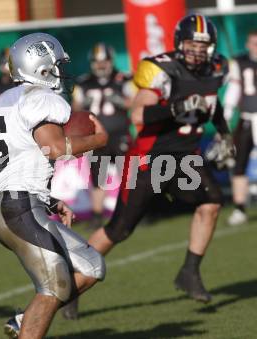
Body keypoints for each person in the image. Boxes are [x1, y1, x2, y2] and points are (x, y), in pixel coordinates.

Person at [64, 14, 236, 319]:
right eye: (192, 44)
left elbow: (212, 102)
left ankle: (190, 271)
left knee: (212, 203)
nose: (197, 51)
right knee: (118, 230)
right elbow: (138, 116)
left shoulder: (217, 68)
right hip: (149, 159)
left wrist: (223, 132)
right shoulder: (161, 69)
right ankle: (70, 284)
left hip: (186, 158)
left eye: (203, 45)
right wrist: (176, 108)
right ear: (179, 44)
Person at [0, 33, 108, 339]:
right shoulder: (42, 98)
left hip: (10, 205)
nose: (61, 71)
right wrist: (98, 140)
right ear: (42, 68)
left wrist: (47, 199)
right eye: (56, 65)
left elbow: (18, 159)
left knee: (91, 266)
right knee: (54, 286)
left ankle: (25, 321)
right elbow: (53, 148)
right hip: (18, 208)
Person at [72, 42, 133, 229]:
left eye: (104, 61)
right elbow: (75, 109)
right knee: (98, 176)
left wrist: (123, 102)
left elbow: (135, 102)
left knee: (128, 175)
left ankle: (131, 213)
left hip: (120, 133)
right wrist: (83, 105)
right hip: (96, 136)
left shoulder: (124, 79)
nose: (101, 66)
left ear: (111, 61)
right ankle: (97, 216)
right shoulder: (83, 82)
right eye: (97, 62)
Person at [224, 30, 257, 226]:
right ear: (247, 44)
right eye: (253, 43)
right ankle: (240, 209)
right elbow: (234, 87)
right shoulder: (239, 62)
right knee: (239, 164)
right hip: (246, 118)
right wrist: (227, 113)